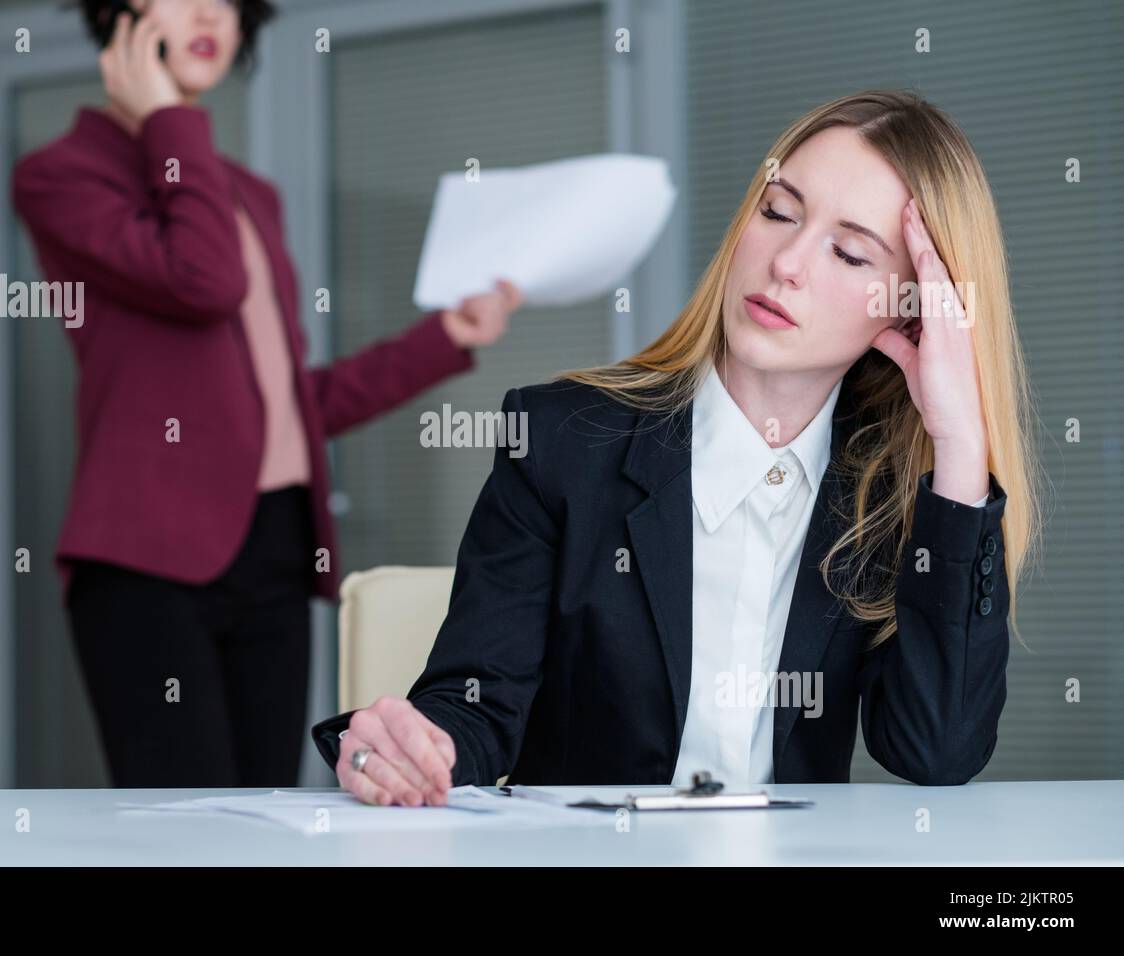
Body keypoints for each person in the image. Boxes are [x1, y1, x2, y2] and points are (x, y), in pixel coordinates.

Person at [310, 89, 1042, 805]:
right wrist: (412, 750)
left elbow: (935, 751)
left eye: (849, 253)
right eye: (778, 211)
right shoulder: (559, 441)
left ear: (915, 313)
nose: (787, 262)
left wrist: (957, 443)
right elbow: (476, 709)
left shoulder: (890, 499)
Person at [11, 0, 522, 787]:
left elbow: (289, 407)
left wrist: (444, 336)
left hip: (276, 546)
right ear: (122, 16)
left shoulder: (246, 193)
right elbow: (205, 281)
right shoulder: (62, 175)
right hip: (148, 559)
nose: (214, 14)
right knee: (185, 830)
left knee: (265, 818)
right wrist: (166, 121)